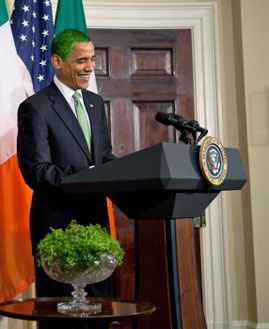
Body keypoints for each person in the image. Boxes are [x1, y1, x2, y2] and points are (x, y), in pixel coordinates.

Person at [17, 29, 116, 329]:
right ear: (57, 62)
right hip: (57, 227)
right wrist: (87, 177)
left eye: (93, 60)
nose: (90, 67)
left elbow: (106, 158)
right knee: (63, 319)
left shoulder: (96, 104)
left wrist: (126, 175)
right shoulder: (35, 108)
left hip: (97, 226)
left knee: (99, 314)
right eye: (82, 60)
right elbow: (37, 171)